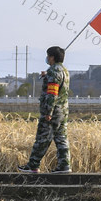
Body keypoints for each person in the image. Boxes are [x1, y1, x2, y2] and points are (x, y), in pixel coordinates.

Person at [19, 45, 71, 174]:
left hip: (52, 111)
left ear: (52, 57)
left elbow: (52, 93)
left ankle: (33, 165)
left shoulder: (53, 71)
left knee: (42, 138)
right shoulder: (64, 70)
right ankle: (64, 166)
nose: (47, 58)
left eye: (48, 56)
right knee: (61, 138)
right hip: (63, 111)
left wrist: (48, 112)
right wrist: (47, 74)